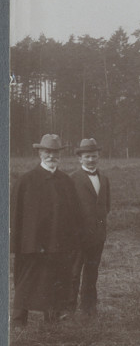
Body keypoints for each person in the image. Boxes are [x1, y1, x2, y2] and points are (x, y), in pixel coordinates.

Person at [11, 133, 82, 326]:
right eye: (47, 152)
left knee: (56, 279)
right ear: (40, 153)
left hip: (58, 244)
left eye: (55, 152)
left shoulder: (66, 181)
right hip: (31, 245)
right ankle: (18, 321)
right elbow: (16, 215)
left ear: (60, 155)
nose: (51, 156)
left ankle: (53, 319)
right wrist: (19, 244)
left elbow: (74, 214)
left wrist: (72, 240)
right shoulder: (26, 181)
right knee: (26, 281)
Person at [68, 137, 112, 316]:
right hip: (78, 236)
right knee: (73, 273)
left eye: (94, 156)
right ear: (80, 158)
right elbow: (69, 209)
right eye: (87, 156)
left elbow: (106, 206)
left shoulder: (104, 178)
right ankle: (68, 307)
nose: (91, 160)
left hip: (97, 236)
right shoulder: (72, 179)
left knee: (92, 272)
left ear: (98, 156)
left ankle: (89, 307)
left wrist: (98, 227)